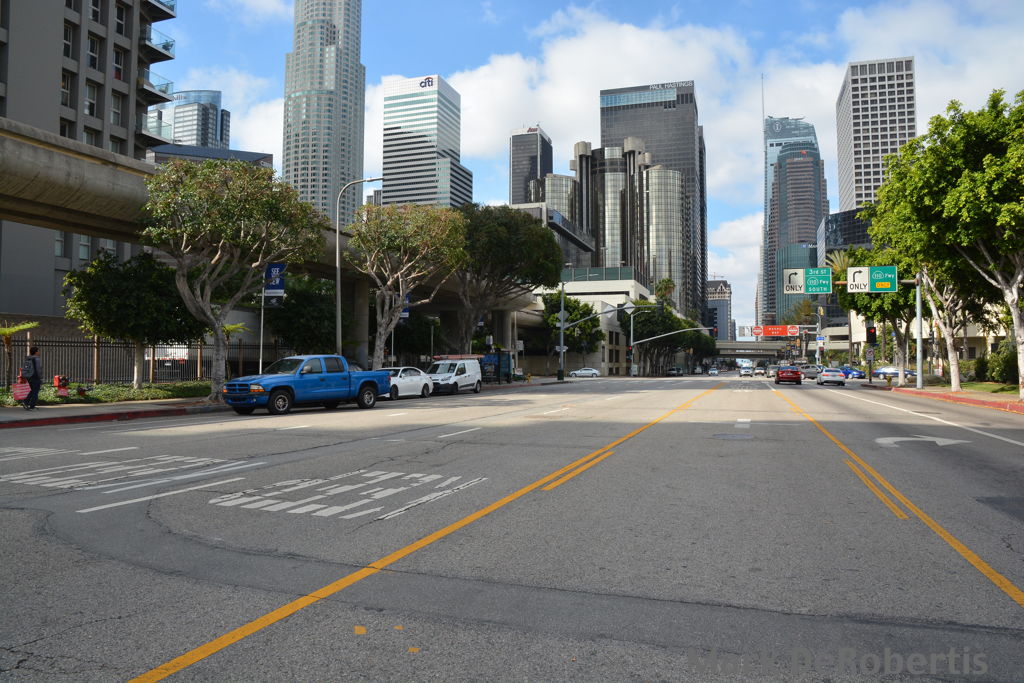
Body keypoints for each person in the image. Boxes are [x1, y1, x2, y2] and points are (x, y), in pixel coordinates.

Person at [22, 346, 42, 410]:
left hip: (30, 377)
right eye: (38, 351)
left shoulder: (29, 358)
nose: (39, 352)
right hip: (35, 377)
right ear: (36, 352)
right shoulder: (37, 359)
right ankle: (28, 404)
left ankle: (28, 404)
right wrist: (40, 377)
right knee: (35, 392)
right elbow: (38, 369)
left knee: (32, 391)